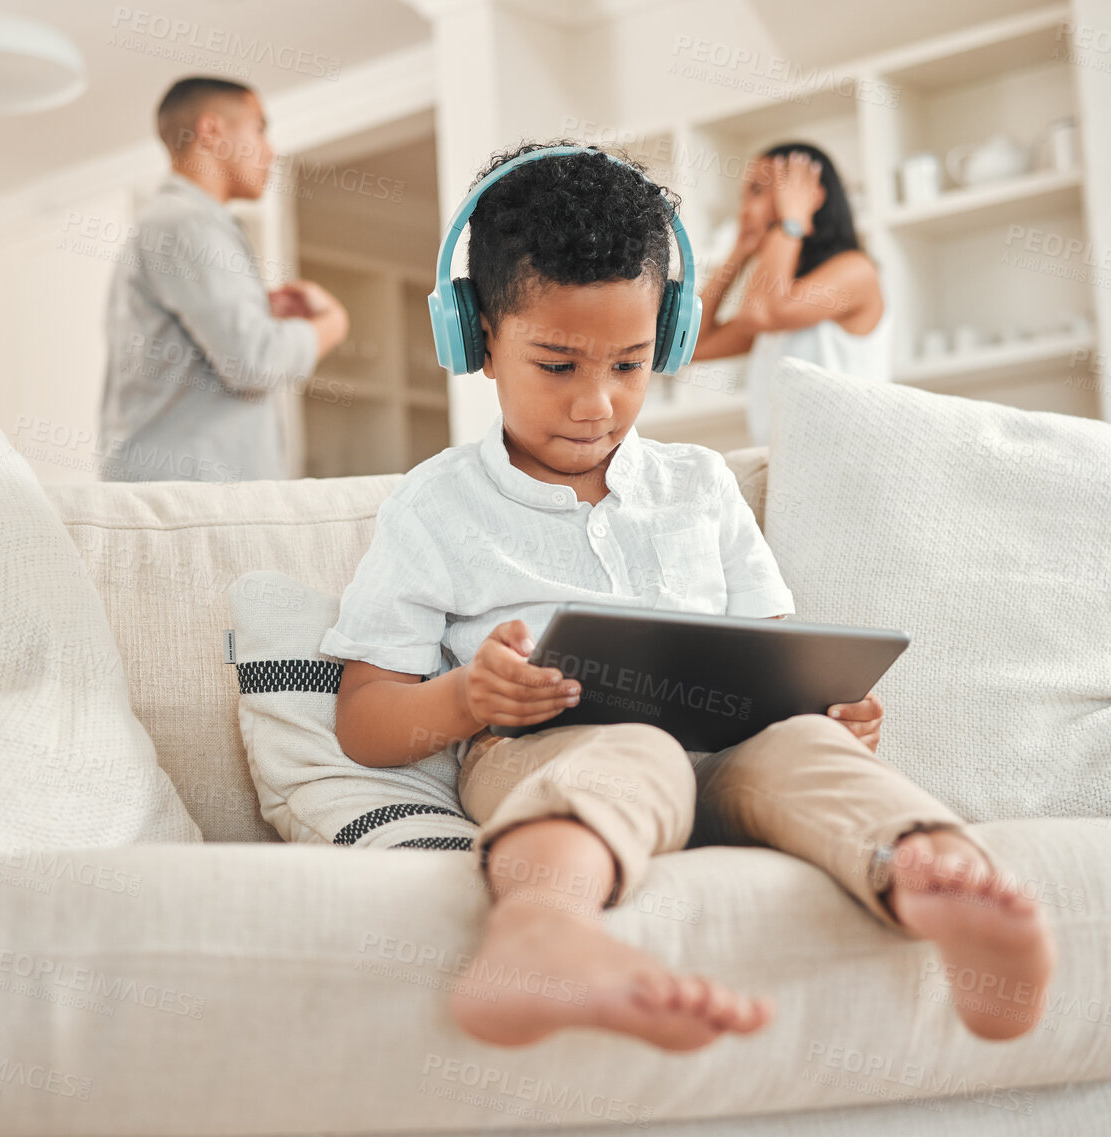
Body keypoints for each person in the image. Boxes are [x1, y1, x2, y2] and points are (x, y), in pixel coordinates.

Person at [319, 141, 1054, 1052]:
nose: (597, 404)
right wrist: (467, 696)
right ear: (475, 340)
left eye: (628, 366)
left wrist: (827, 707)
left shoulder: (700, 486)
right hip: (545, 752)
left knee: (810, 752)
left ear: (665, 340)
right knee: (633, 751)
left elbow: (776, 650)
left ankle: (934, 880)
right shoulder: (435, 506)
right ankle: (540, 933)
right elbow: (363, 722)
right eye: (558, 366)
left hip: (735, 749)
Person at [98, 76, 349, 484]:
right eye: (260, 129)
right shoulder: (186, 222)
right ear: (211, 131)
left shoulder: (175, 223)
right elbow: (253, 361)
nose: (271, 151)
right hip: (185, 502)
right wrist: (331, 326)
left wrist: (256, 312)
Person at [691, 141, 889, 446]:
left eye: (757, 191)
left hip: (846, 465)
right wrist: (739, 251)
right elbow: (689, 346)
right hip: (787, 469)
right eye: (742, 196)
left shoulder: (856, 270)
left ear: (811, 196)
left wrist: (793, 220)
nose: (743, 211)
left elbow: (764, 311)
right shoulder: (778, 303)